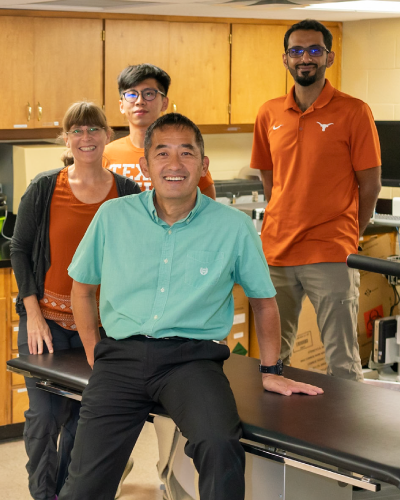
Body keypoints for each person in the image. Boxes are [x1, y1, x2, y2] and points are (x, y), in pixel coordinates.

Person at [58, 113, 323, 500]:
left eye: (187, 153)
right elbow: (80, 290)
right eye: (162, 153)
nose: (175, 164)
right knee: (84, 483)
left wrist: (271, 370)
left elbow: (264, 303)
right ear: (146, 165)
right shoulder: (113, 216)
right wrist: (93, 352)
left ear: (203, 164)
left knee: (220, 447)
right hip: (120, 358)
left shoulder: (232, 227)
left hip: (192, 362)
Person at [10, 101, 141, 500]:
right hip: (45, 322)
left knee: (86, 420)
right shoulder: (45, 187)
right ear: (66, 139)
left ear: (108, 136)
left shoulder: (127, 192)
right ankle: (43, 494)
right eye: (77, 131)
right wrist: (32, 313)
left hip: (102, 328)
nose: (86, 138)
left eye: (94, 129)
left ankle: (70, 493)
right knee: (44, 418)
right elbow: (20, 249)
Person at [250, 19, 382, 382]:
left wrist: (350, 230)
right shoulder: (269, 113)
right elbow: (270, 180)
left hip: (330, 252)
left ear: (329, 56)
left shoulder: (354, 111)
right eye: (296, 51)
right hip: (275, 251)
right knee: (274, 360)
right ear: (285, 59)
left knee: (341, 362)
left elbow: (370, 185)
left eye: (313, 50)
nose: (304, 58)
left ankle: (346, 437)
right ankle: (275, 437)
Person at [103, 63, 216, 199]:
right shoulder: (105, 156)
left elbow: (208, 211)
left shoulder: (186, 158)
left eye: (149, 94)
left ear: (164, 103)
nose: (140, 101)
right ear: (121, 105)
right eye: (132, 94)